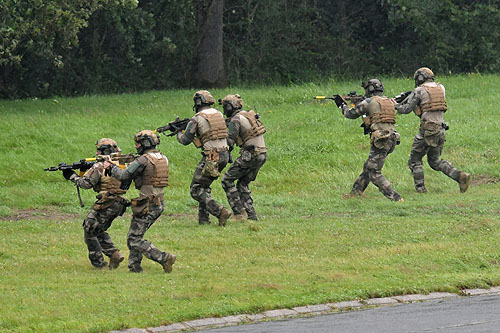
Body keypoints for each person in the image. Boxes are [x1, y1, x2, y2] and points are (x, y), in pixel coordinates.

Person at [103, 130, 176, 273]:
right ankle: (134, 266)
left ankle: (164, 258)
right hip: (158, 202)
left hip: (147, 204)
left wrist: (111, 167)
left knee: (133, 239)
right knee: (137, 235)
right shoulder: (162, 158)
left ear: (145, 143)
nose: (136, 146)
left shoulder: (143, 160)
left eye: (138, 143)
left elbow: (124, 175)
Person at [395, 67, 470, 193]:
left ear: (419, 78)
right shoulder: (441, 88)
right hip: (441, 129)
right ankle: (460, 176)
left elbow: (406, 109)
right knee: (435, 161)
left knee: (414, 161)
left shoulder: (419, 90)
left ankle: (420, 190)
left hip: (427, 130)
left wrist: (395, 105)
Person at [62, 138, 129, 269]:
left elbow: (85, 184)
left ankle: (101, 262)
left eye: (100, 150)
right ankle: (113, 254)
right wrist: (83, 170)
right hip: (119, 202)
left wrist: (71, 175)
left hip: (106, 202)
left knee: (89, 229)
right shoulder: (122, 163)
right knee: (96, 228)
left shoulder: (99, 166)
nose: (97, 153)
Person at [339, 79, 403, 202]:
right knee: (368, 167)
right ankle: (356, 192)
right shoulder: (389, 101)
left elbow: (350, 114)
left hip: (381, 140)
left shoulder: (369, 101)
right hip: (392, 138)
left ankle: (395, 197)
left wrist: (342, 105)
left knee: (374, 172)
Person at [177, 90, 232, 226]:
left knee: (195, 189)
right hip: (225, 154)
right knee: (204, 186)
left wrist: (178, 132)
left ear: (197, 102)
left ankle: (220, 211)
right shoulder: (218, 114)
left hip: (212, 156)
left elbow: (185, 140)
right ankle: (203, 220)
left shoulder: (196, 118)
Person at [220, 94, 267, 220]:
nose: (224, 110)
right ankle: (251, 215)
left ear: (230, 107)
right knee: (242, 183)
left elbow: (230, 142)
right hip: (262, 154)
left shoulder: (236, 120)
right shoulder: (247, 115)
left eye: (225, 107)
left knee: (227, 180)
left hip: (250, 155)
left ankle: (239, 212)